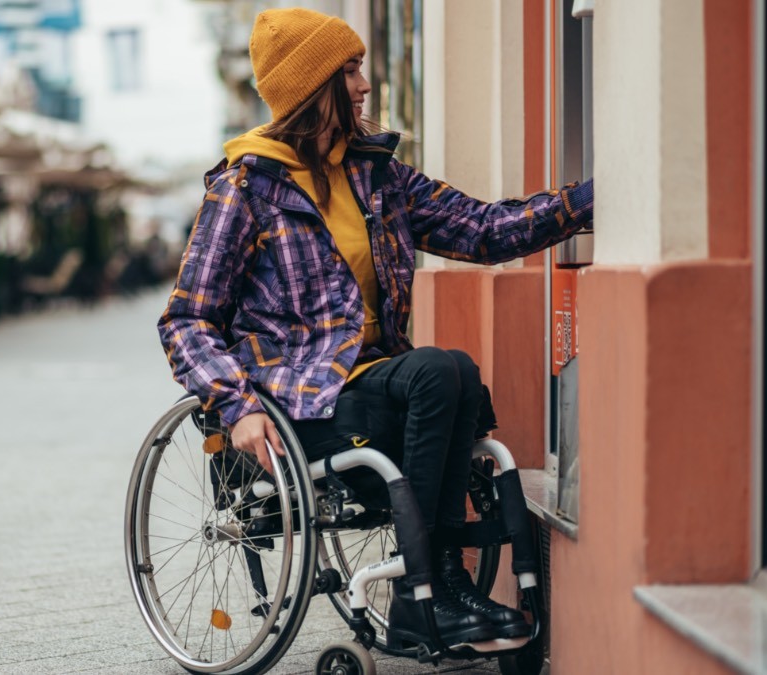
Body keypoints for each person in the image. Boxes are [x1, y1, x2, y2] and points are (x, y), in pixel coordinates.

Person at [158, 7, 593, 649]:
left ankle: (436, 590)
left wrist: (589, 199)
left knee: (452, 374)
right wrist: (236, 405)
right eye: (351, 71)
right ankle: (425, 597)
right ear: (314, 88)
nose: (364, 87)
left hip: (373, 390)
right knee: (439, 371)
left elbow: (481, 228)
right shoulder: (245, 189)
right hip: (297, 410)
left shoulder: (374, 175)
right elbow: (187, 319)